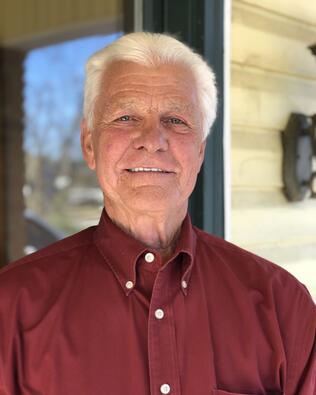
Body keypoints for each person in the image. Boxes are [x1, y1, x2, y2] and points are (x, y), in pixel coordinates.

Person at [0, 32, 315, 395]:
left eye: (176, 120)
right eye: (126, 117)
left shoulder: (282, 306)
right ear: (89, 145)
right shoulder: (12, 310)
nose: (152, 139)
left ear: (199, 151)